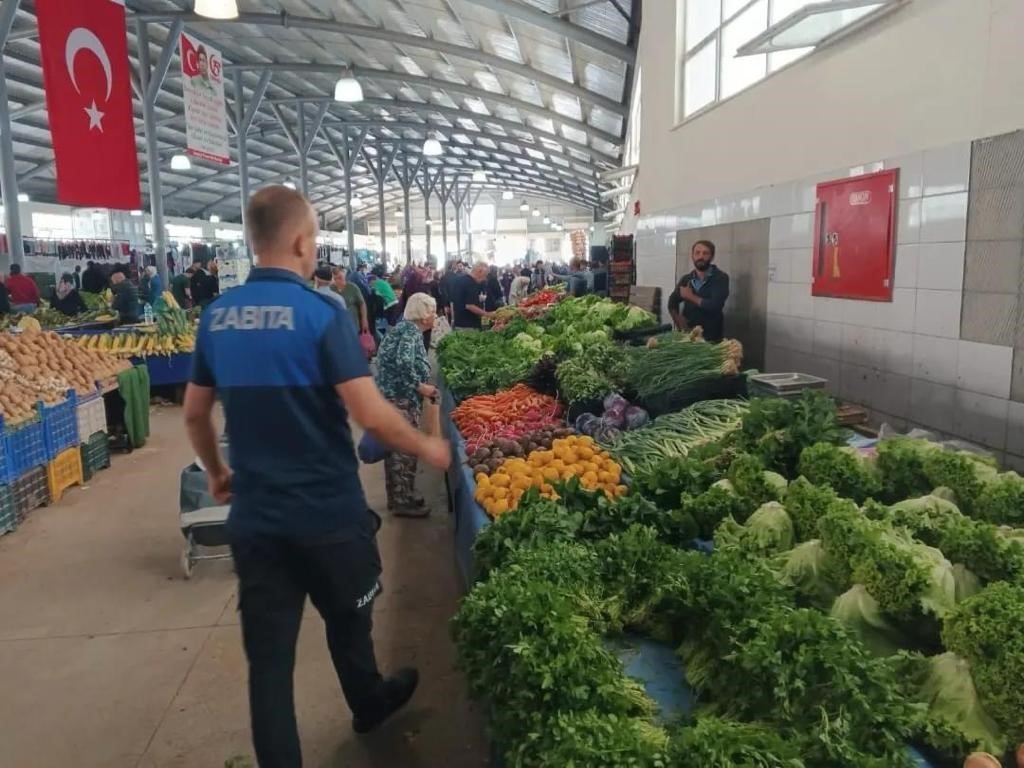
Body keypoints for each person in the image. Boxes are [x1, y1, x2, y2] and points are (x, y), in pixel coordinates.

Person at [183, 186, 450, 768]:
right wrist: (429, 446)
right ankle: (367, 703)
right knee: (350, 620)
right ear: (303, 241)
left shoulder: (216, 316)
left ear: (253, 241)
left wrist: (219, 472)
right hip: (327, 515)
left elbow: (195, 413)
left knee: (270, 667)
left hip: (257, 522)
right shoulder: (320, 313)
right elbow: (370, 412)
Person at [374, 292, 440, 517]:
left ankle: (398, 497)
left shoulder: (402, 328)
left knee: (395, 452)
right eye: (432, 311)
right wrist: (420, 387)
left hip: (390, 397)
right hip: (400, 399)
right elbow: (403, 362)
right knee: (404, 451)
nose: (435, 316)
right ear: (423, 315)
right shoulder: (411, 332)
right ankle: (404, 502)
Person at [668, 239, 730, 342]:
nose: (701, 256)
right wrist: (679, 321)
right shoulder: (686, 279)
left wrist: (690, 296)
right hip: (688, 336)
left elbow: (714, 305)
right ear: (692, 256)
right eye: (697, 253)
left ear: (712, 257)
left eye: (705, 253)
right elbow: (672, 302)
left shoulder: (721, 278)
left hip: (711, 336)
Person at [451, 261, 492, 331]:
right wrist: (487, 314)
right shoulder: (471, 283)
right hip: (469, 325)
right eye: (485, 275)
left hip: (458, 323)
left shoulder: (459, 280)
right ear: (479, 271)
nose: (485, 278)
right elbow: (470, 306)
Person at [332, 267, 369, 335]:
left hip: (352, 325)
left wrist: (364, 320)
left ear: (344, 276)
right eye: (335, 279)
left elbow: (362, 304)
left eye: (340, 277)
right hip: (337, 326)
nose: (338, 281)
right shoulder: (331, 289)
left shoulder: (353, 287)